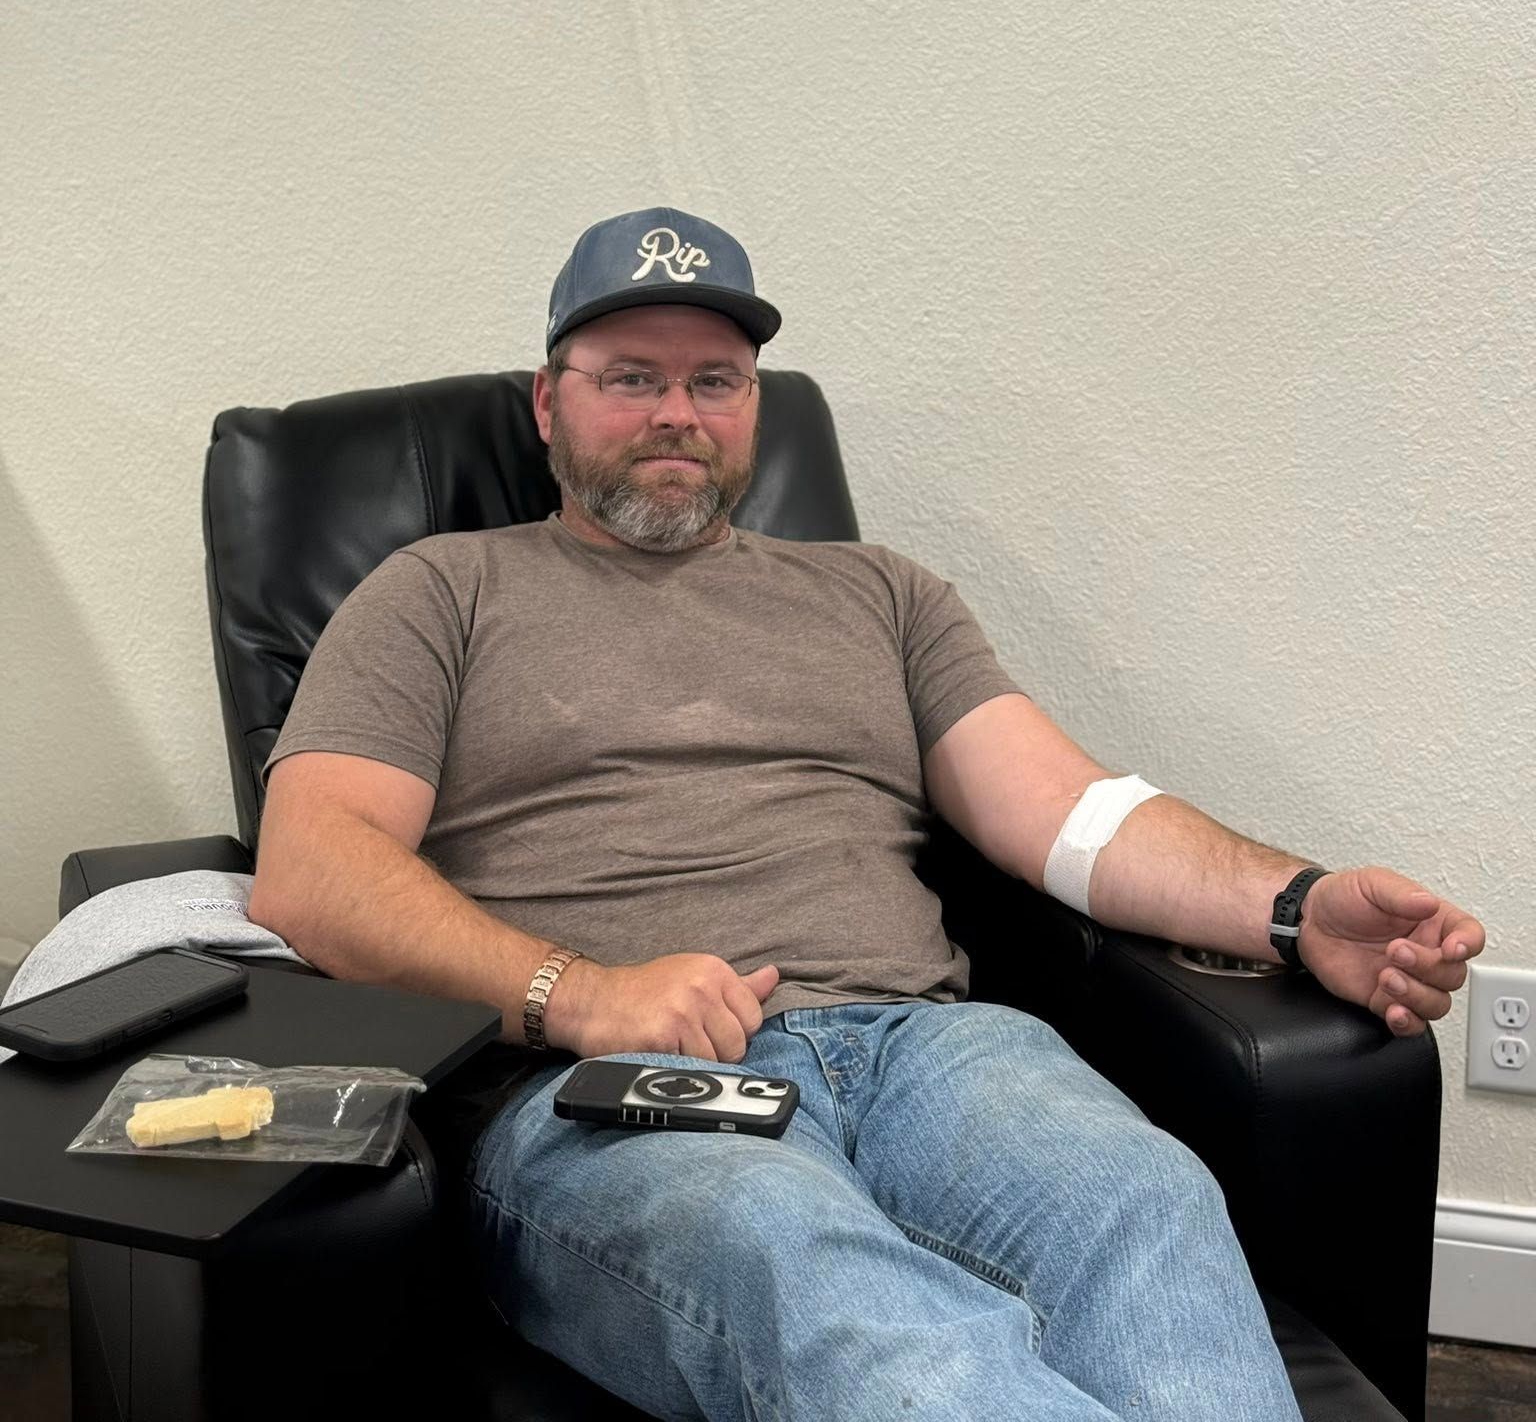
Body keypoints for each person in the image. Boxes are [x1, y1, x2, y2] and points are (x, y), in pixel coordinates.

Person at [249, 206, 1484, 1422]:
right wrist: (577, 990)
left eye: (714, 379)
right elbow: (312, 866)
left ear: (753, 407)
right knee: (827, 1284)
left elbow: (1075, 813)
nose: (678, 411)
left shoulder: (880, 594)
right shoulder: (441, 591)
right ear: (547, 401)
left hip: (929, 1052)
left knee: (1143, 1202)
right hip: (622, 1081)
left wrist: (1293, 905)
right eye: (631, 375)